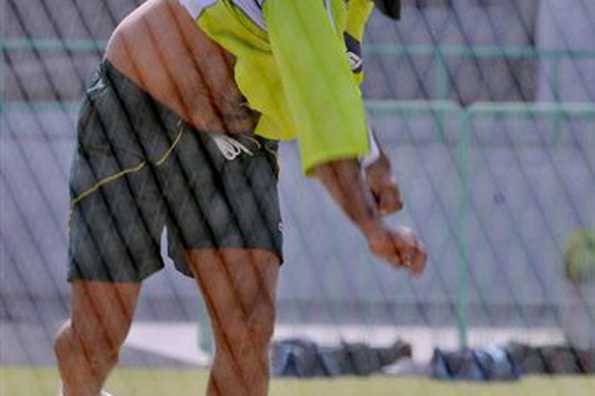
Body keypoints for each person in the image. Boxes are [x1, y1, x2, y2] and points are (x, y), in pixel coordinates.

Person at [53, 0, 426, 395]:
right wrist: (370, 225)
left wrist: (369, 156)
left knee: (248, 331)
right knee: (96, 338)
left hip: (237, 143)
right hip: (137, 109)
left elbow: (333, 76)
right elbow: (317, 94)